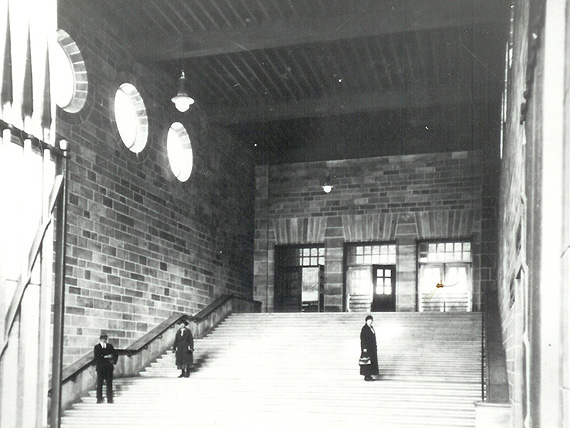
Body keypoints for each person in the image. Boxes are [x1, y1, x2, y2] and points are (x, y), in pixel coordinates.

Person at [94, 333, 118, 403]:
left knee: (109, 383)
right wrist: (106, 356)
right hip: (100, 368)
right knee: (100, 383)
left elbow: (115, 354)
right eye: (102, 339)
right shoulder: (97, 347)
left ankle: (109, 398)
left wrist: (113, 360)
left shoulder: (110, 346)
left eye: (105, 339)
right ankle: (99, 398)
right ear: (100, 339)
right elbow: (97, 357)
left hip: (108, 368)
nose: (104, 340)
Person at [360, 315, 379, 381]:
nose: (370, 322)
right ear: (366, 321)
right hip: (367, 348)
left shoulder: (371, 328)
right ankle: (366, 376)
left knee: (371, 362)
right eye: (369, 320)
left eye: (371, 320)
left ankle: (369, 375)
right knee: (367, 362)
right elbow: (363, 339)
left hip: (372, 348)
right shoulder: (364, 328)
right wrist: (364, 348)